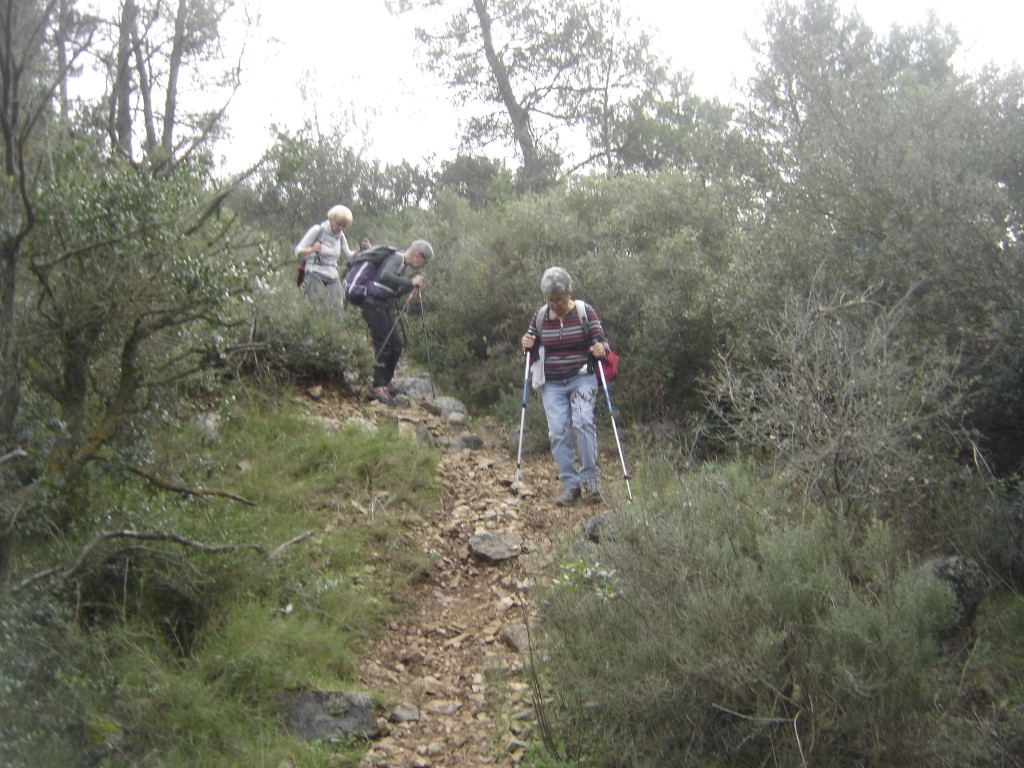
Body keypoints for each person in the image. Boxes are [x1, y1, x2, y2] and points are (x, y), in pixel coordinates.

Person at [521, 266, 610, 506]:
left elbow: (601, 341)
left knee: (583, 422)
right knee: (558, 432)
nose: (555, 305)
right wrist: (526, 342)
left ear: (570, 293)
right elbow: (530, 346)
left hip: (582, 377)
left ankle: (591, 482)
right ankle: (571, 486)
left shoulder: (584, 312)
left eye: (559, 300)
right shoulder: (540, 316)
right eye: (550, 300)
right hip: (552, 383)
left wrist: (600, 348)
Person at [362, 239, 434, 405]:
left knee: (397, 345)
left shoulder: (401, 265)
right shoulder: (397, 258)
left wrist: (410, 284)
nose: (423, 265)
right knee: (384, 344)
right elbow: (384, 276)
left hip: (382, 305)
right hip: (373, 304)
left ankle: (385, 383)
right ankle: (378, 387)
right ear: (418, 255)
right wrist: (410, 281)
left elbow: (392, 290)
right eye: (425, 261)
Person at [294, 205, 355, 311]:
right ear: (331, 219)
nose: (340, 228)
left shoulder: (340, 236)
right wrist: (312, 250)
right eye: (339, 224)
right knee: (319, 308)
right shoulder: (318, 230)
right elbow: (298, 252)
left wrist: (363, 250)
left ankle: (335, 328)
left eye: (344, 226)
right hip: (314, 271)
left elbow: (348, 256)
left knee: (338, 308)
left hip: (332, 274)